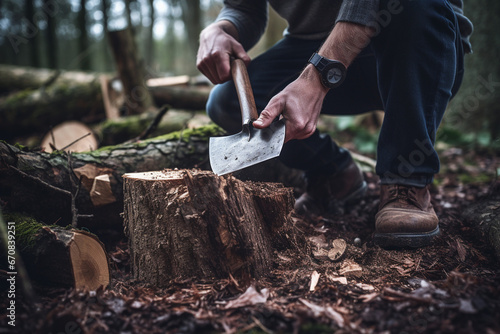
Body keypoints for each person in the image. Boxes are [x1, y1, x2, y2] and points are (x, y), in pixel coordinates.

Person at [196, 0, 473, 248]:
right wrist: (223, 27)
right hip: (313, 44)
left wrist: (317, 76)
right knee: (226, 102)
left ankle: (407, 181)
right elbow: (244, 8)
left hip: (415, 34)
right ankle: (336, 173)